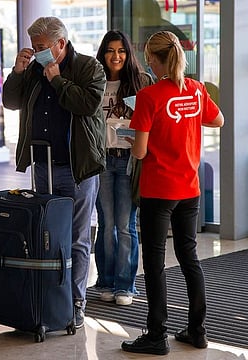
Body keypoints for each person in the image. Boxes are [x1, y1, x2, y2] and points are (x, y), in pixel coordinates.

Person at [121, 30, 224, 355]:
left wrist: (132, 136)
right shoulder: (195, 90)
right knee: (188, 256)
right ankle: (197, 330)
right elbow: (218, 120)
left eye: (148, 56)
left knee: (153, 263)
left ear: (154, 59)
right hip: (189, 189)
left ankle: (157, 335)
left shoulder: (149, 97)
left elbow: (139, 153)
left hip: (159, 189)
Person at [2, 16, 106, 329]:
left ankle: (75, 303)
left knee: (76, 239)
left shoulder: (89, 67)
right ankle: (48, 301)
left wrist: (58, 79)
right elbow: (10, 101)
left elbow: (87, 105)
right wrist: (18, 72)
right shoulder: (32, 70)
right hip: (43, 166)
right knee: (46, 237)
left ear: (60, 44)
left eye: (42, 47)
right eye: (34, 47)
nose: (37, 52)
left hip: (77, 168)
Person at [94, 30, 153, 306]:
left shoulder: (141, 83)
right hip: (102, 159)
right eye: (110, 50)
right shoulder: (95, 82)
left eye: (121, 51)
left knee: (125, 225)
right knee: (106, 224)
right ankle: (105, 281)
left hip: (129, 159)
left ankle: (125, 285)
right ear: (103, 53)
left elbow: (152, 123)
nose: (115, 56)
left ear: (128, 54)